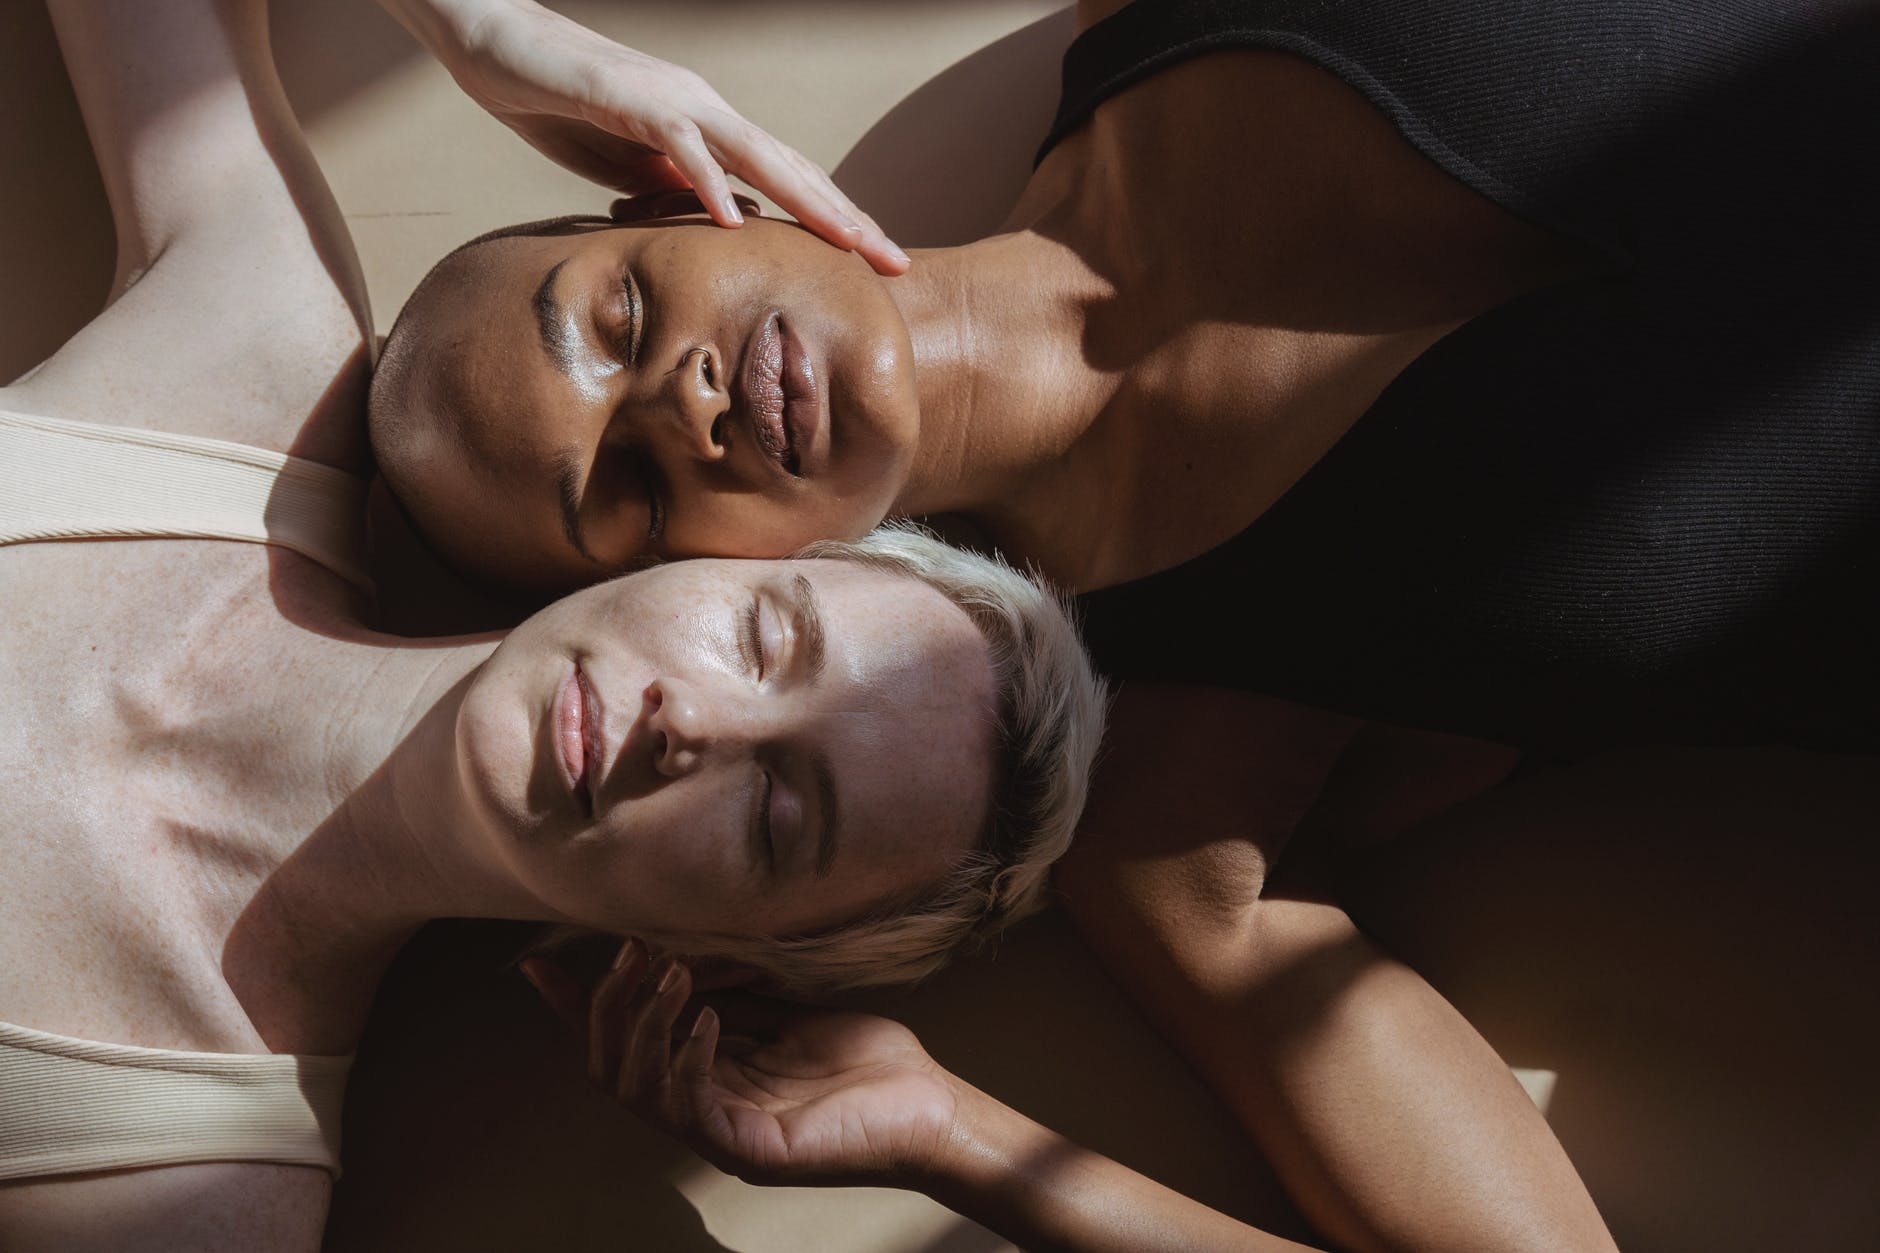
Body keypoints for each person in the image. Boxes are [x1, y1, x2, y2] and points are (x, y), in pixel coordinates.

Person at [365, 0, 1876, 1247]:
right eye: (625, 494)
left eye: (619, 317)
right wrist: (964, 1140)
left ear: (665, 190)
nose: (678, 406)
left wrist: (478, 23)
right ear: (670, 590)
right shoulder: (1170, 798)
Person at [0, 3, 1106, 1249]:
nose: (686, 725)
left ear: (716, 960)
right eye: (757, 640)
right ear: (701, 559)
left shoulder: (187, 1186)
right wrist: (484, 30)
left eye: (777, 816)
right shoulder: (254, 369)